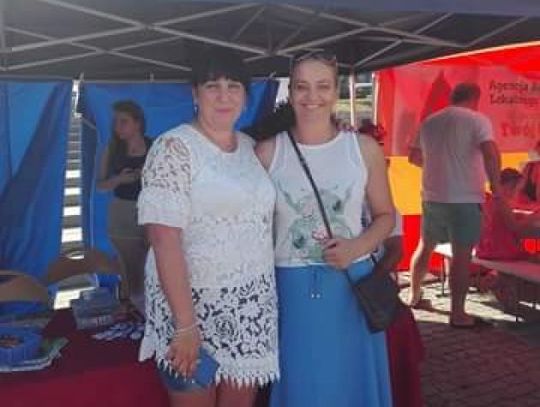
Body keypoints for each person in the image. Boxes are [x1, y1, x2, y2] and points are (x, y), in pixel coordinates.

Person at [137, 50, 279, 407]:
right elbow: (163, 238)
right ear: (195, 93)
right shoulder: (174, 148)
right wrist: (185, 325)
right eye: (212, 85)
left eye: (234, 86)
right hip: (191, 307)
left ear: (246, 96)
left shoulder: (250, 148)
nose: (223, 95)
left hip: (249, 306)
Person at [256, 51, 394, 407]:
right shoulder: (268, 152)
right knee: (303, 384)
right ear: (291, 92)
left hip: (352, 285)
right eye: (302, 86)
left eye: (322, 86)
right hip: (292, 288)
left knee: (350, 384)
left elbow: (386, 216)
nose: (312, 96)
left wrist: (357, 246)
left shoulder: (362, 149)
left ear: (336, 91)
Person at [407, 82, 501, 328]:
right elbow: (490, 153)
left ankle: (414, 296)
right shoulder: (477, 120)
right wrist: (497, 188)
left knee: (425, 246)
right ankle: (458, 314)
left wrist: (439, 166)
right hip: (465, 198)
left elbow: (413, 157)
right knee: (461, 256)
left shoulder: (430, 121)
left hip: (432, 195)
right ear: (475, 98)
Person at [96, 100, 152, 306]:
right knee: (130, 269)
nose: (117, 127)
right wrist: (119, 179)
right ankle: (132, 310)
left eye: (123, 121)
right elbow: (100, 186)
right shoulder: (112, 150)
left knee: (154, 265)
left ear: (138, 123)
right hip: (123, 213)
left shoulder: (155, 146)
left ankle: (153, 309)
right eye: (115, 122)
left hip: (151, 211)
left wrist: (146, 175)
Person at [476, 168, 540, 261]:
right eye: (518, 190)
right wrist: (532, 218)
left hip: (487, 247)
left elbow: (503, 219)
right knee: (534, 233)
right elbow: (514, 227)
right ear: (510, 187)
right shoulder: (501, 202)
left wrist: (525, 217)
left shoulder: (490, 200)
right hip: (499, 249)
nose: (517, 194)